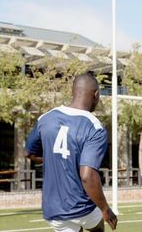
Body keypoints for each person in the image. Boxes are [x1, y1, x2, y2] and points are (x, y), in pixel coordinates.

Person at [26, 72, 117, 232]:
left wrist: (51, 159)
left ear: (73, 92)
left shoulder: (45, 118)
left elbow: (30, 154)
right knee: (98, 227)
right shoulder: (94, 127)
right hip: (82, 207)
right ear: (96, 95)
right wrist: (105, 209)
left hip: (54, 209)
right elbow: (87, 175)